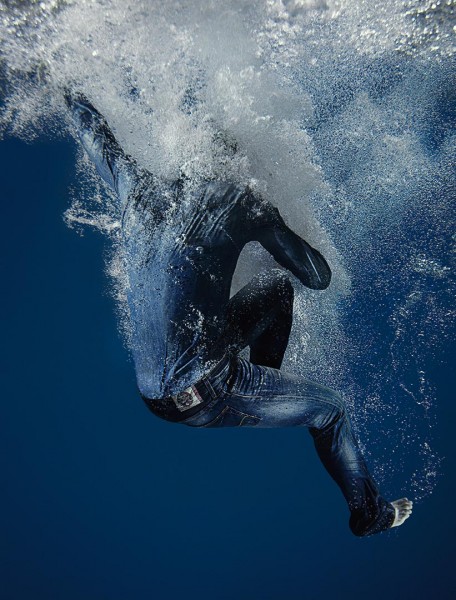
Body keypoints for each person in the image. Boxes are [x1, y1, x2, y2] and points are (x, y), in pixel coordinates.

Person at [64, 89, 412, 536]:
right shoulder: (242, 202)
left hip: (154, 388)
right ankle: (370, 514)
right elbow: (318, 276)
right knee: (332, 410)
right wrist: (270, 219)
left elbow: (94, 133)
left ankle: (263, 381)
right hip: (205, 391)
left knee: (275, 290)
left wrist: (64, 81)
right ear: (232, 163)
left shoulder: (139, 188)